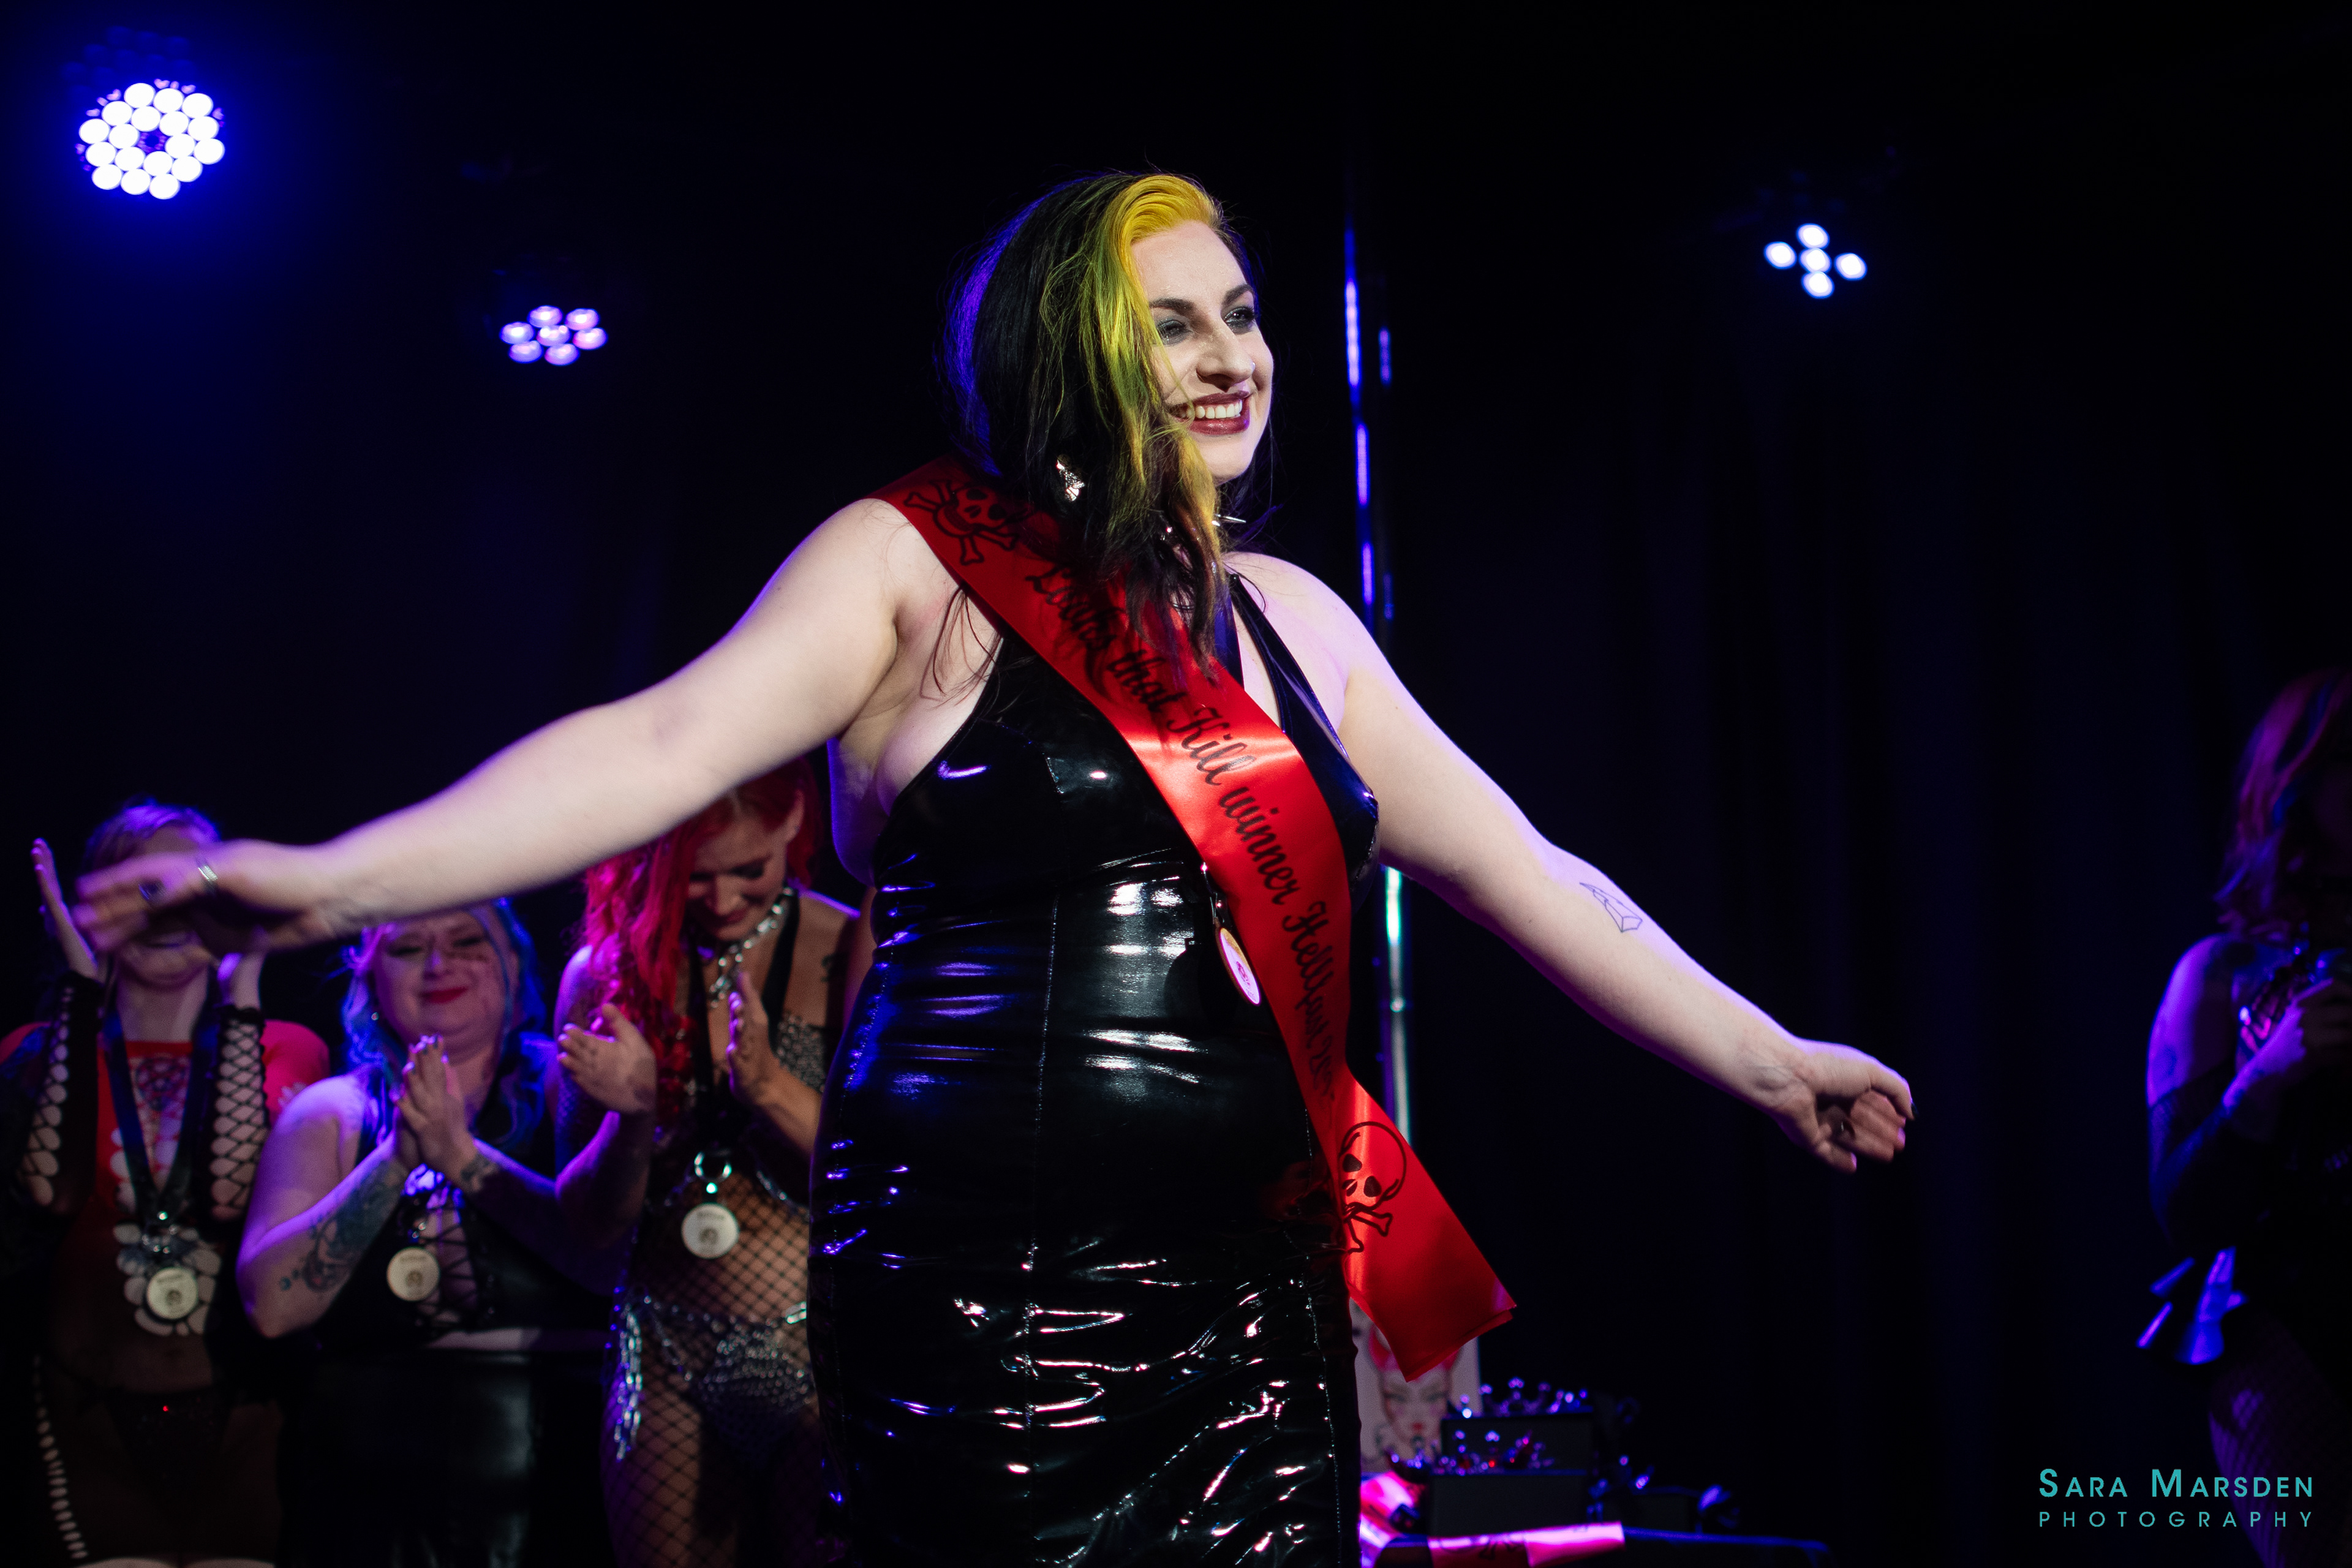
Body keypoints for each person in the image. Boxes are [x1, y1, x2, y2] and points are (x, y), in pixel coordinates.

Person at [79, 172, 1913, 1566]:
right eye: (1171, 325)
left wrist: (1761, 1052)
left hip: (1250, 1301)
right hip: (987, 1299)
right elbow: (656, 746)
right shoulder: (914, 568)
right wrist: (332, 879)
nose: (1232, 357)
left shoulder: (1292, 623)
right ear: (1065, 356)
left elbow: (1527, 867)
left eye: (1241, 314)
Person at [552, 756, 869, 1566]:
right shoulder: (606, 973)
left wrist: (769, 1089)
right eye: (696, 876)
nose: (723, 901)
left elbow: (880, 1181)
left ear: (794, 821)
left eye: (748, 870)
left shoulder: (846, 950)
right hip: (665, 1348)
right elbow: (587, 1223)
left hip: (816, 1348)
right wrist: (631, 1117)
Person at [236, 901, 616, 1568]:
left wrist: (461, 1157)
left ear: (516, 963)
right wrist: (394, 1160)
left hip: (557, 1463)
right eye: (409, 948)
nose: (439, 964)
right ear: (370, 977)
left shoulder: (573, 1087)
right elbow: (272, 1307)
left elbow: (615, 1266)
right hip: (365, 1490)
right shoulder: (330, 1114)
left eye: (468, 941)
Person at [4, 803, 327, 1567]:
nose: (169, 913)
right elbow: (49, 1195)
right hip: (86, 1417)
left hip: (248, 1419)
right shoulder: (33, 1051)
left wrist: (244, 986)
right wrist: (80, 989)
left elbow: (233, 1197)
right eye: (143, 889)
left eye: (191, 888)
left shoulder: (288, 1049)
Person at [2144, 667, 2352, 1568]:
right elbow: (2183, 1211)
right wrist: (2261, 1081)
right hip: (2289, 1324)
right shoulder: (2220, 974)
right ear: (2303, 785)